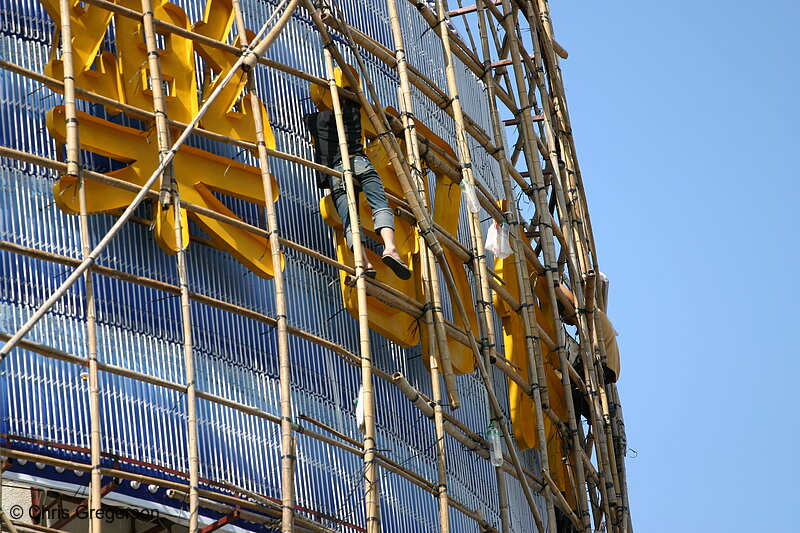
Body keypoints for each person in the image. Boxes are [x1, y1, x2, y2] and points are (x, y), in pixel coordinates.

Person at [303, 68, 411, 280]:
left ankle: (363, 263)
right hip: (358, 162)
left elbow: (311, 116)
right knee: (379, 203)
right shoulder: (352, 111)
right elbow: (354, 95)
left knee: (350, 219)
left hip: (335, 173)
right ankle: (390, 248)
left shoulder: (314, 121)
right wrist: (347, 95)